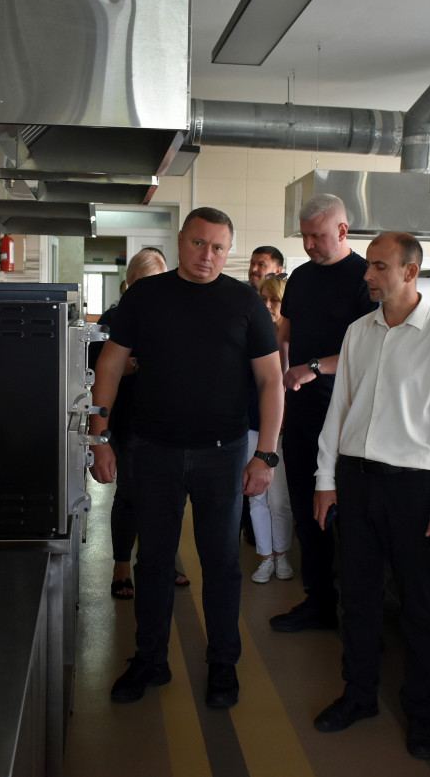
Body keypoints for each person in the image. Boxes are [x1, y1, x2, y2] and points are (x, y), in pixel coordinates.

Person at [89, 207, 284, 710]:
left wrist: (265, 454)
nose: (207, 256)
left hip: (223, 455)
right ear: (180, 241)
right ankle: (150, 659)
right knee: (153, 562)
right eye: (199, 243)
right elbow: (109, 364)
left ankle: (223, 664)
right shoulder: (146, 297)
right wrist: (99, 436)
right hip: (154, 450)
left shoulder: (245, 301)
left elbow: (271, 381)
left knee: (221, 564)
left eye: (218, 247)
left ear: (228, 250)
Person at [310, 232, 430, 761]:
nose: (368, 275)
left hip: (412, 489)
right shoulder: (359, 332)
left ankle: (421, 713)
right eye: (369, 266)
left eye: (379, 266)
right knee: (357, 598)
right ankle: (359, 694)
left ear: (410, 272)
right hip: (356, 482)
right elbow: (339, 410)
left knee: (418, 607)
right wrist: (325, 479)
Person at [269, 194, 375, 633]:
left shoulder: (365, 278)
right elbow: (286, 333)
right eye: (305, 236)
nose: (309, 244)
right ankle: (319, 602)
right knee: (304, 509)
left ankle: (358, 615)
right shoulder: (300, 278)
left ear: (343, 231)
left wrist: (313, 368)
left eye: (317, 235)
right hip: (302, 413)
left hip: (348, 416)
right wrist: (281, 377)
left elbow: (371, 349)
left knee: (347, 520)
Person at [90, 248, 168, 600]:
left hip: (163, 420)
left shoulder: (169, 316)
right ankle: (122, 566)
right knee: (130, 494)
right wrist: (140, 364)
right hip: (125, 421)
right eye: (145, 284)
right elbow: (101, 372)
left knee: (166, 498)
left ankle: (164, 563)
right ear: (130, 283)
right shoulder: (113, 319)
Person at [247, 274, 294, 583]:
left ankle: (282, 554)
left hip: (284, 430)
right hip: (252, 424)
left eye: (274, 300)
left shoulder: (292, 339)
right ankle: (265, 557)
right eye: (262, 299)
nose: (267, 305)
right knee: (256, 495)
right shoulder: (250, 335)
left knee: (279, 499)